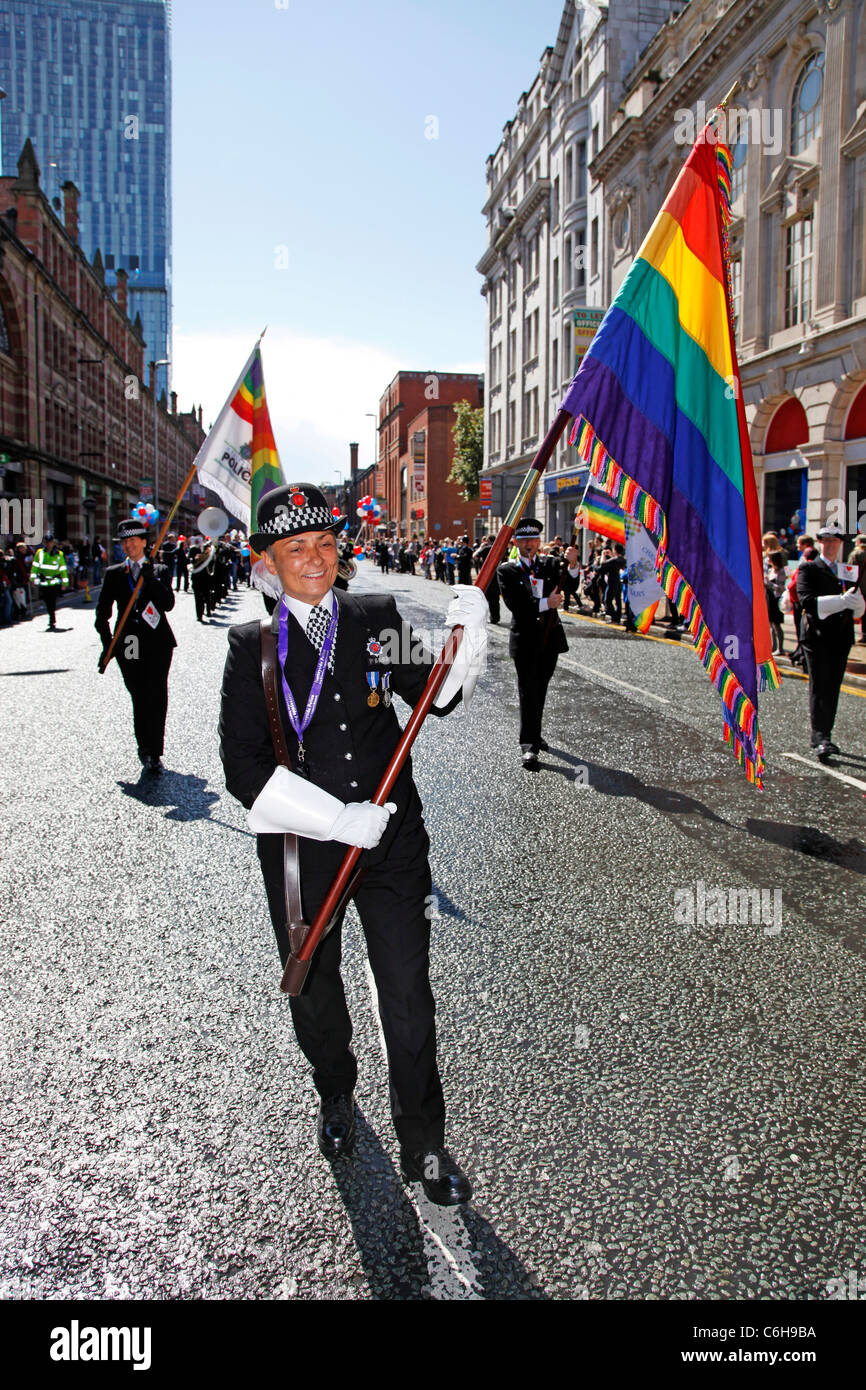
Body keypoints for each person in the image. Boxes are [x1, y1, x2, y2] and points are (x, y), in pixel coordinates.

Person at [219, 483, 488, 1205]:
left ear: (341, 553)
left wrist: (467, 644)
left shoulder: (374, 615)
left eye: (325, 545)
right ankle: (335, 1091)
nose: (313, 560)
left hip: (393, 843)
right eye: (295, 549)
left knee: (409, 992)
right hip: (303, 851)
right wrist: (336, 821)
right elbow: (243, 769)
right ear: (268, 563)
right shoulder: (252, 647)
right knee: (314, 985)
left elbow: (433, 695)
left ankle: (425, 1145)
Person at [95, 518, 177, 773]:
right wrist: (107, 643)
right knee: (139, 695)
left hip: (158, 642)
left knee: (157, 695)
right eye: (124, 542)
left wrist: (150, 579)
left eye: (133, 541)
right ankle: (144, 747)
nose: (128, 546)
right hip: (129, 642)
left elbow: (167, 604)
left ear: (144, 542)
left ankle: (156, 750)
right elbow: (102, 614)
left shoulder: (159, 569)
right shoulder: (114, 573)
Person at [497, 517, 579, 770]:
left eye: (533, 540)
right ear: (516, 543)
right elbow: (517, 606)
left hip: (549, 640)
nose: (529, 544)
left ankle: (535, 733)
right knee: (527, 691)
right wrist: (546, 604)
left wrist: (573, 563)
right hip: (525, 641)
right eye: (524, 541)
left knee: (540, 688)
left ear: (539, 542)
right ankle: (528, 745)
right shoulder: (507, 570)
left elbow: (571, 584)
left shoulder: (551, 564)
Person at [796, 523, 865, 761]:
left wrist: (855, 603)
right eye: (827, 541)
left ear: (841, 544)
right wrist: (841, 601)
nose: (832, 545)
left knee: (833, 685)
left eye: (836, 541)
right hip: (817, 636)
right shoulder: (809, 569)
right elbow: (808, 602)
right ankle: (820, 736)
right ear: (820, 542)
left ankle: (827, 733)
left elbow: (858, 606)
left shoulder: (847, 571)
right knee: (821, 683)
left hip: (841, 636)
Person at [30, 535, 68, 630]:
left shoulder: (59, 554)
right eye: (47, 542)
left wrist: (65, 582)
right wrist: (32, 579)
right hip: (44, 582)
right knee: (46, 601)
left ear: (53, 543)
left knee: (52, 601)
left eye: (50, 542)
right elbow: (35, 566)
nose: (49, 544)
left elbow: (62, 568)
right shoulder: (40, 553)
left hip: (54, 582)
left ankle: (52, 618)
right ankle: (51, 615)